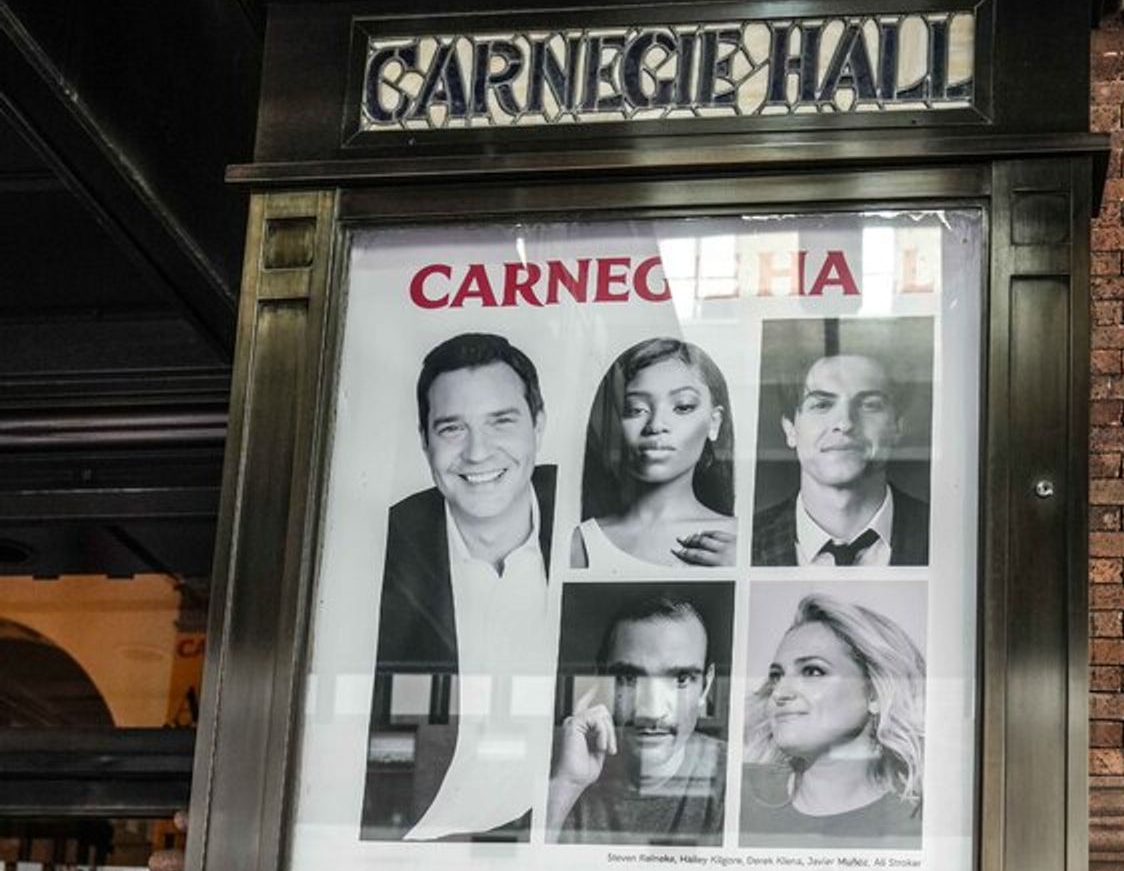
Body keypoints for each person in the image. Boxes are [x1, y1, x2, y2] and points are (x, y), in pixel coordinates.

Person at [361, 332, 556, 841]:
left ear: (538, 423)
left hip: (564, 837)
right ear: (425, 440)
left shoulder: (594, 514)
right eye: (452, 429)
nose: (477, 452)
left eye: (501, 421)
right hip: (416, 841)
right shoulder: (378, 547)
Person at [741, 592, 924, 846]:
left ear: (874, 692)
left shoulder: (917, 825)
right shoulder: (741, 800)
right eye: (776, 676)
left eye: (812, 671)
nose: (780, 693)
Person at [546, 592, 727, 844]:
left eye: (681, 679)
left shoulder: (735, 777)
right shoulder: (562, 766)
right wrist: (565, 785)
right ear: (602, 680)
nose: (651, 713)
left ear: (705, 686)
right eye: (628, 679)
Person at [570, 338, 737, 574]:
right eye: (636, 409)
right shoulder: (581, 543)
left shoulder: (740, 542)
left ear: (714, 422)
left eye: (683, 406)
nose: (656, 425)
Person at [752, 345, 929, 568]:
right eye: (822, 405)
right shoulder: (745, 543)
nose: (845, 423)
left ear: (897, 427)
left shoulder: (942, 532)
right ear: (790, 429)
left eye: (869, 405)